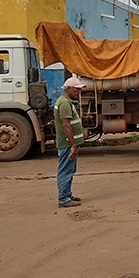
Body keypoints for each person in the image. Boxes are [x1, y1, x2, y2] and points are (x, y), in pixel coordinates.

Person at [54, 76, 85, 208]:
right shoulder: (65, 103)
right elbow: (66, 126)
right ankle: (64, 198)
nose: (79, 92)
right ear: (69, 89)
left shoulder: (65, 101)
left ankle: (67, 194)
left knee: (69, 169)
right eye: (77, 90)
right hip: (67, 144)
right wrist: (73, 145)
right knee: (65, 170)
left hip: (68, 143)